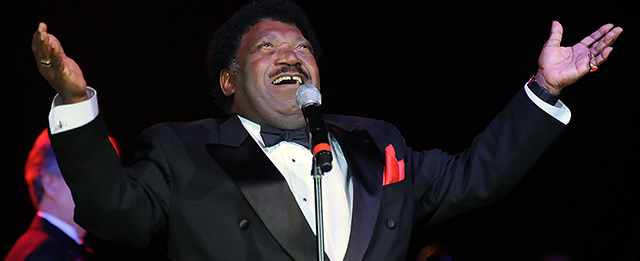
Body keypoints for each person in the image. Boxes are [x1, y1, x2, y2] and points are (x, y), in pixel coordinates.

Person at [30, 0, 623, 260]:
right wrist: (75, 102)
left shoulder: (379, 143)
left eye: (302, 47)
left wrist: (543, 91)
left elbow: (476, 176)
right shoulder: (181, 150)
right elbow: (114, 212)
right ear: (230, 80)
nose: (291, 55)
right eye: (268, 47)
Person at [6, 130, 93, 260]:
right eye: (89, 177)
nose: (103, 191)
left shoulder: (51, 249)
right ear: (51, 184)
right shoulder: (41, 255)